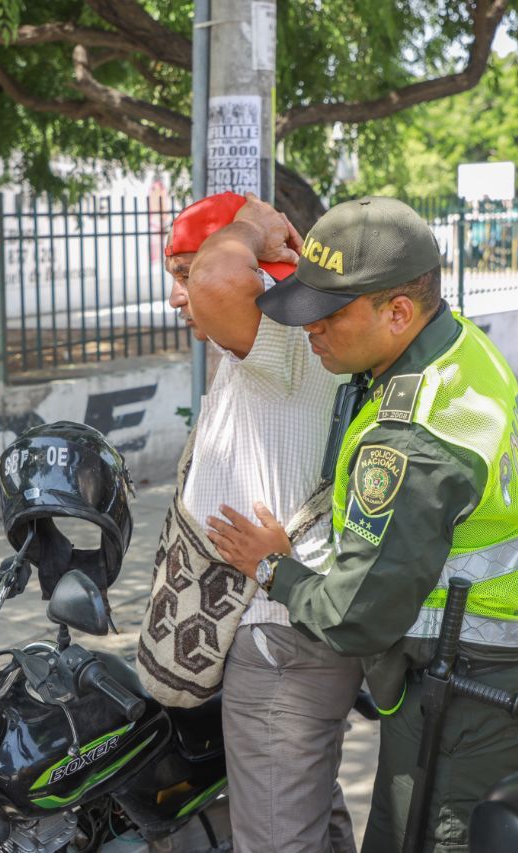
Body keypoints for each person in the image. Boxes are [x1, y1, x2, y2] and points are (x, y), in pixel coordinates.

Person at [204, 196, 518, 853]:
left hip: (473, 696)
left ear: (398, 311)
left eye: (327, 316)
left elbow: (353, 616)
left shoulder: (407, 442)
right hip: (504, 673)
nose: (309, 331)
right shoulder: (458, 349)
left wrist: (273, 566)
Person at [137, 192, 365, 852]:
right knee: (307, 807)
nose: (181, 296)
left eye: (184, 272)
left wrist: (249, 227)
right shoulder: (278, 340)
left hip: (275, 638)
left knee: (271, 835)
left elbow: (217, 283)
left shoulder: (284, 335)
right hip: (279, 628)